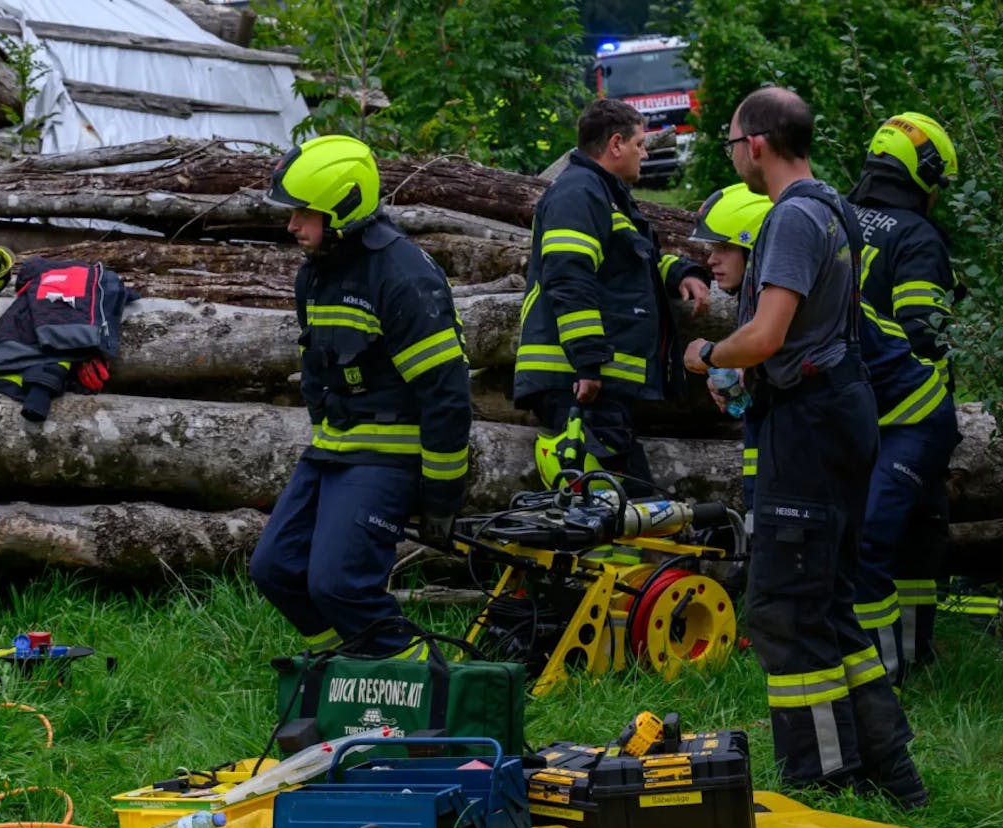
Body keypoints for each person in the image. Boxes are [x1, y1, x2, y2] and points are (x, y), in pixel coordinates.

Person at [682, 87, 925, 807]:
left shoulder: (791, 217)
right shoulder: (835, 206)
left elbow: (767, 335)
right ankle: (893, 770)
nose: (734, 155)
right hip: (838, 411)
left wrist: (709, 355)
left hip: (811, 426)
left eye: (731, 143)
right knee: (829, 600)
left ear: (756, 143)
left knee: (785, 607)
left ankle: (823, 776)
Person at [693, 183, 960, 688]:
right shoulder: (759, 303)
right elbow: (763, 407)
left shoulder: (791, 303)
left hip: (914, 419)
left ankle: (887, 681)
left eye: (722, 246)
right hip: (874, 423)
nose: (710, 259)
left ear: (755, 247)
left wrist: (711, 358)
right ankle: (868, 671)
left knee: (870, 541)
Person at [248, 135, 471, 659]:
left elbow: (447, 395)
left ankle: (432, 682)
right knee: (275, 569)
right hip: (331, 450)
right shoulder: (317, 274)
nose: (292, 225)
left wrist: (441, 498)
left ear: (343, 209)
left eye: (305, 213)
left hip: (389, 454)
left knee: (340, 584)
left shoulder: (402, 275)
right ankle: (348, 664)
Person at [514, 98, 711, 489]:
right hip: (575, 382)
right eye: (640, 143)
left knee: (614, 504)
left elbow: (633, 263)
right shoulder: (578, 194)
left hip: (590, 381)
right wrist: (587, 363)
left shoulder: (606, 194)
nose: (644, 152)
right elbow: (569, 278)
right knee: (618, 504)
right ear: (616, 144)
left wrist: (681, 274)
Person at [848, 112, 963, 669]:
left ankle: (913, 656)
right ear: (924, 176)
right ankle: (892, 669)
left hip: (853, 406)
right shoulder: (918, 237)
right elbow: (924, 330)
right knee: (906, 537)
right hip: (911, 412)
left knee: (912, 531)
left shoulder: (838, 217)